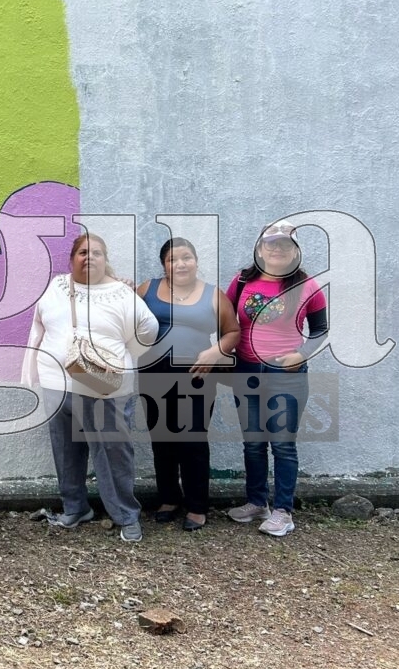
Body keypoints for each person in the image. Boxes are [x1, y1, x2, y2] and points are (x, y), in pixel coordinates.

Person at [22, 233, 159, 542]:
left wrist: (125, 356)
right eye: (83, 252)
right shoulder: (56, 287)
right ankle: (75, 508)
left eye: (97, 252)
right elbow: (39, 324)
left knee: (113, 452)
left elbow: (149, 330)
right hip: (58, 385)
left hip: (105, 388)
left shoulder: (121, 293)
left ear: (105, 260)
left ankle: (126, 516)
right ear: (72, 259)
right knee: (65, 450)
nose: (89, 257)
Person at [225, 221, 327, 537]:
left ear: (295, 251)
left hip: (286, 375)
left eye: (284, 245)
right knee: (253, 443)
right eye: (271, 244)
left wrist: (301, 355)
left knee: (282, 445)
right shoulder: (242, 281)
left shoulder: (307, 286)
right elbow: (226, 322)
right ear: (260, 248)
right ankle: (257, 502)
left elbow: (320, 331)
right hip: (247, 371)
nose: (277, 249)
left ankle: (283, 510)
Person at [136, 238, 240, 531]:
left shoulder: (212, 295)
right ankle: (169, 498)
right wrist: (119, 287)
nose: (180, 264)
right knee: (162, 438)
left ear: (196, 261)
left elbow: (232, 331)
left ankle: (196, 505)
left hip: (196, 376)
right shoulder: (147, 288)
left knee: (192, 440)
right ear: (164, 265)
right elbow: (122, 313)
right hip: (153, 375)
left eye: (186, 257)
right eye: (172, 259)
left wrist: (216, 351)